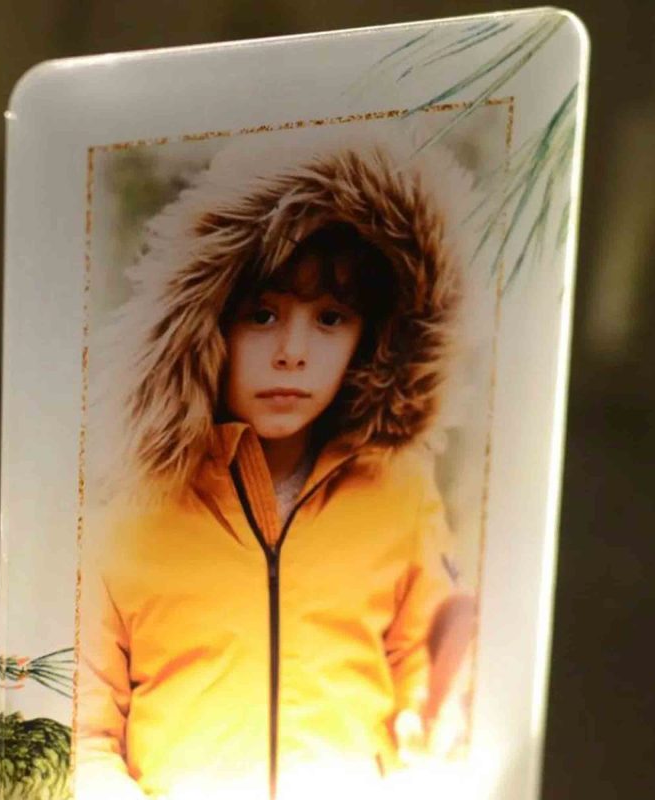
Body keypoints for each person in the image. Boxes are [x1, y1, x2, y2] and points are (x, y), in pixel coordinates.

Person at [77, 125, 476, 800]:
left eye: (331, 318)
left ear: (372, 337)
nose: (293, 352)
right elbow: (82, 738)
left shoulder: (401, 495)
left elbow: (427, 696)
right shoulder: (126, 511)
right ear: (205, 325)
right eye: (262, 315)